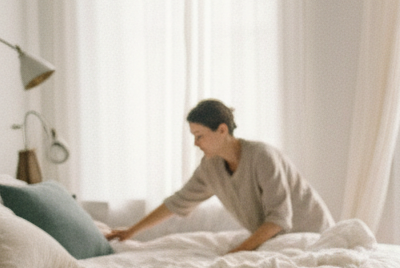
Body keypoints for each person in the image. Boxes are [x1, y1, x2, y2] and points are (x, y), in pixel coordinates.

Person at [106, 99, 334, 253]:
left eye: (200, 135)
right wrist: (131, 231)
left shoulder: (263, 156)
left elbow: (279, 220)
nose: (196, 143)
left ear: (222, 130)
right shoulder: (210, 166)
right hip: (278, 243)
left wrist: (238, 252)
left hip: (313, 238)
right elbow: (178, 202)